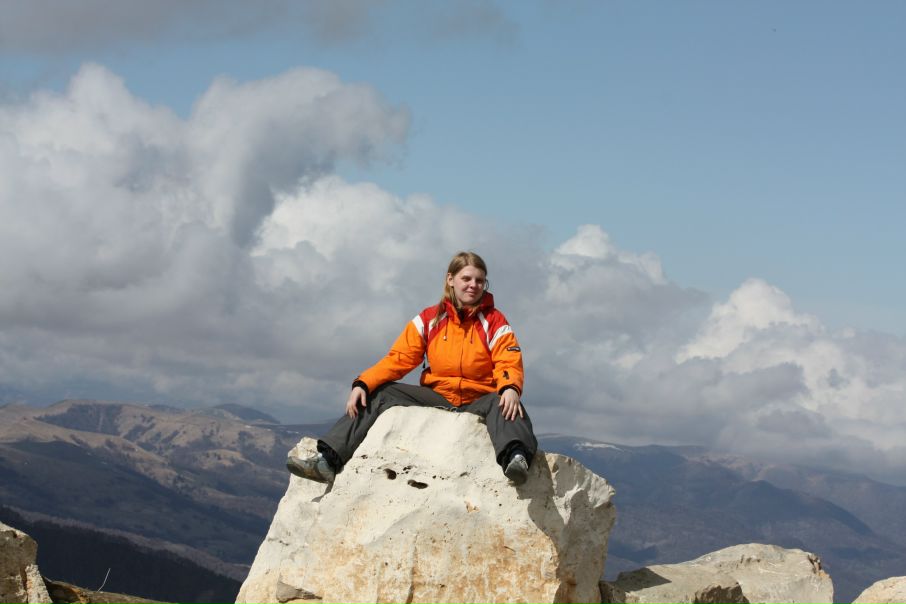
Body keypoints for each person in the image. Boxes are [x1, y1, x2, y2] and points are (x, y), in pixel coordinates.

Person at [287, 251, 538, 486]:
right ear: (450, 279)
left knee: (506, 402)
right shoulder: (430, 319)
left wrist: (510, 387)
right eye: (466, 278)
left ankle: (516, 459)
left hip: (479, 398)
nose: (473, 285)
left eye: (480, 280)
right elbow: (399, 358)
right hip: (438, 396)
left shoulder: (494, 321)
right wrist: (363, 383)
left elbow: (508, 359)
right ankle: (327, 461)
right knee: (379, 393)